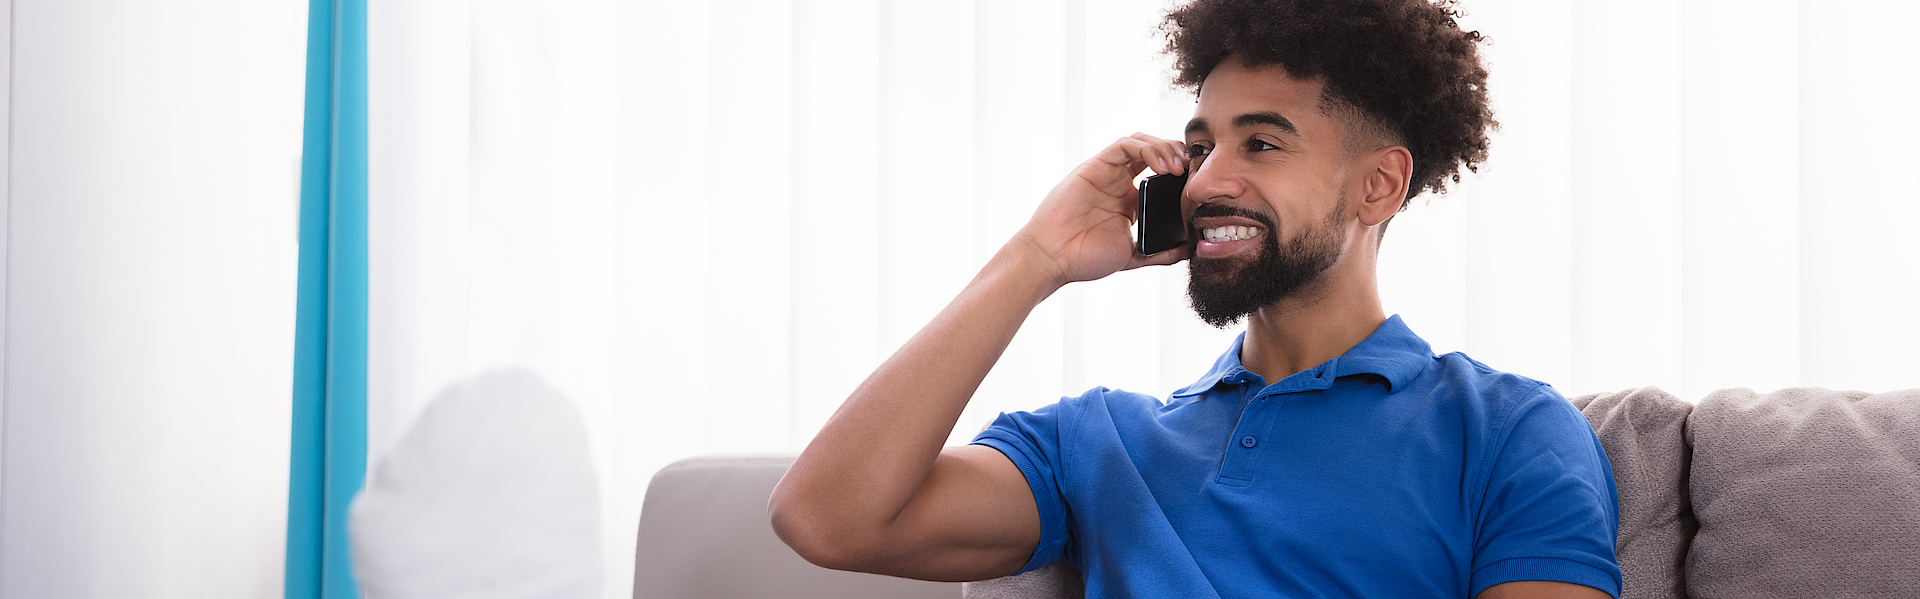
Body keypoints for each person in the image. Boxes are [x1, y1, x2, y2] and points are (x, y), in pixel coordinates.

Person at [769, 0, 1621, 597]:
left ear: (1377, 186)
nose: (1209, 180)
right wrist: (1036, 258)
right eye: (1201, 145)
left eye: (1261, 142)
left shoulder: (1511, 429)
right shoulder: (1097, 441)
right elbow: (826, 519)